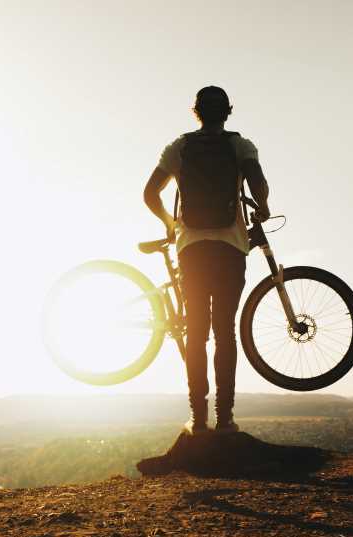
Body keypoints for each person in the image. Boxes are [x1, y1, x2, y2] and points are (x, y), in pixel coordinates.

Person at [143, 86, 270, 435]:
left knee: (196, 332)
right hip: (230, 247)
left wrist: (172, 226)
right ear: (227, 111)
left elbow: (150, 193)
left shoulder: (179, 147)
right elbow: (257, 183)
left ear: (195, 112)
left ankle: (198, 420)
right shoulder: (240, 145)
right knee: (224, 332)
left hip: (191, 249)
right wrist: (264, 206)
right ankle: (225, 418)